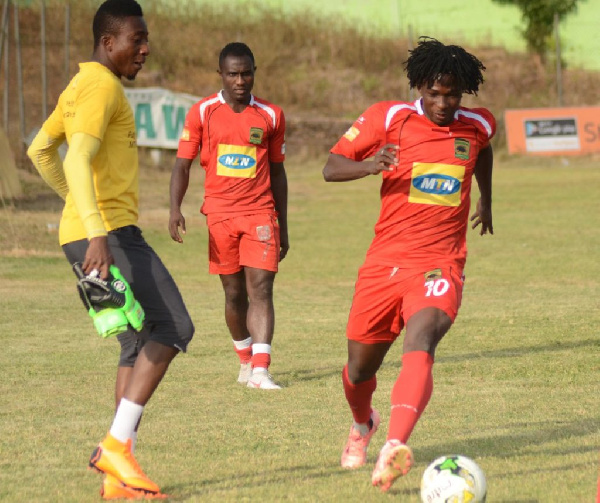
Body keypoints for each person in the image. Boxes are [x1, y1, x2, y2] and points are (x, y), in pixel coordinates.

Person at [27, 0, 194, 499]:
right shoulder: (100, 87)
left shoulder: (78, 85)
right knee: (173, 327)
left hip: (84, 232)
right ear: (108, 42)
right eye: (135, 40)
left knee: (134, 342)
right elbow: (75, 157)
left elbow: (39, 148)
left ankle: (116, 479)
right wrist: (96, 227)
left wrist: (79, 213)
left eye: (146, 40)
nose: (144, 50)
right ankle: (116, 447)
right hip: (109, 236)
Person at [322, 37, 496, 492]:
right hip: (384, 264)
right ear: (419, 85)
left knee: (422, 339)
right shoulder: (389, 118)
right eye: (434, 93)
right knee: (360, 369)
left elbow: (484, 152)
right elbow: (331, 165)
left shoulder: (477, 126)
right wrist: (371, 165)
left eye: (452, 94)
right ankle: (364, 425)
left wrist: (486, 198)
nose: (443, 103)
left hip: (440, 262)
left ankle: (393, 447)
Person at [169, 42, 288, 390]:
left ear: (254, 72)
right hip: (219, 216)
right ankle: (245, 359)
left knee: (261, 289)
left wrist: (285, 224)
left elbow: (278, 174)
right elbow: (182, 164)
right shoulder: (202, 112)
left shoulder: (272, 115)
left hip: (260, 214)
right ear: (221, 74)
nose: (240, 80)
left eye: (246, 73)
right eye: (233, 74)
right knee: (234, 293)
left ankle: (261, 372)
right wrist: (175, 207)